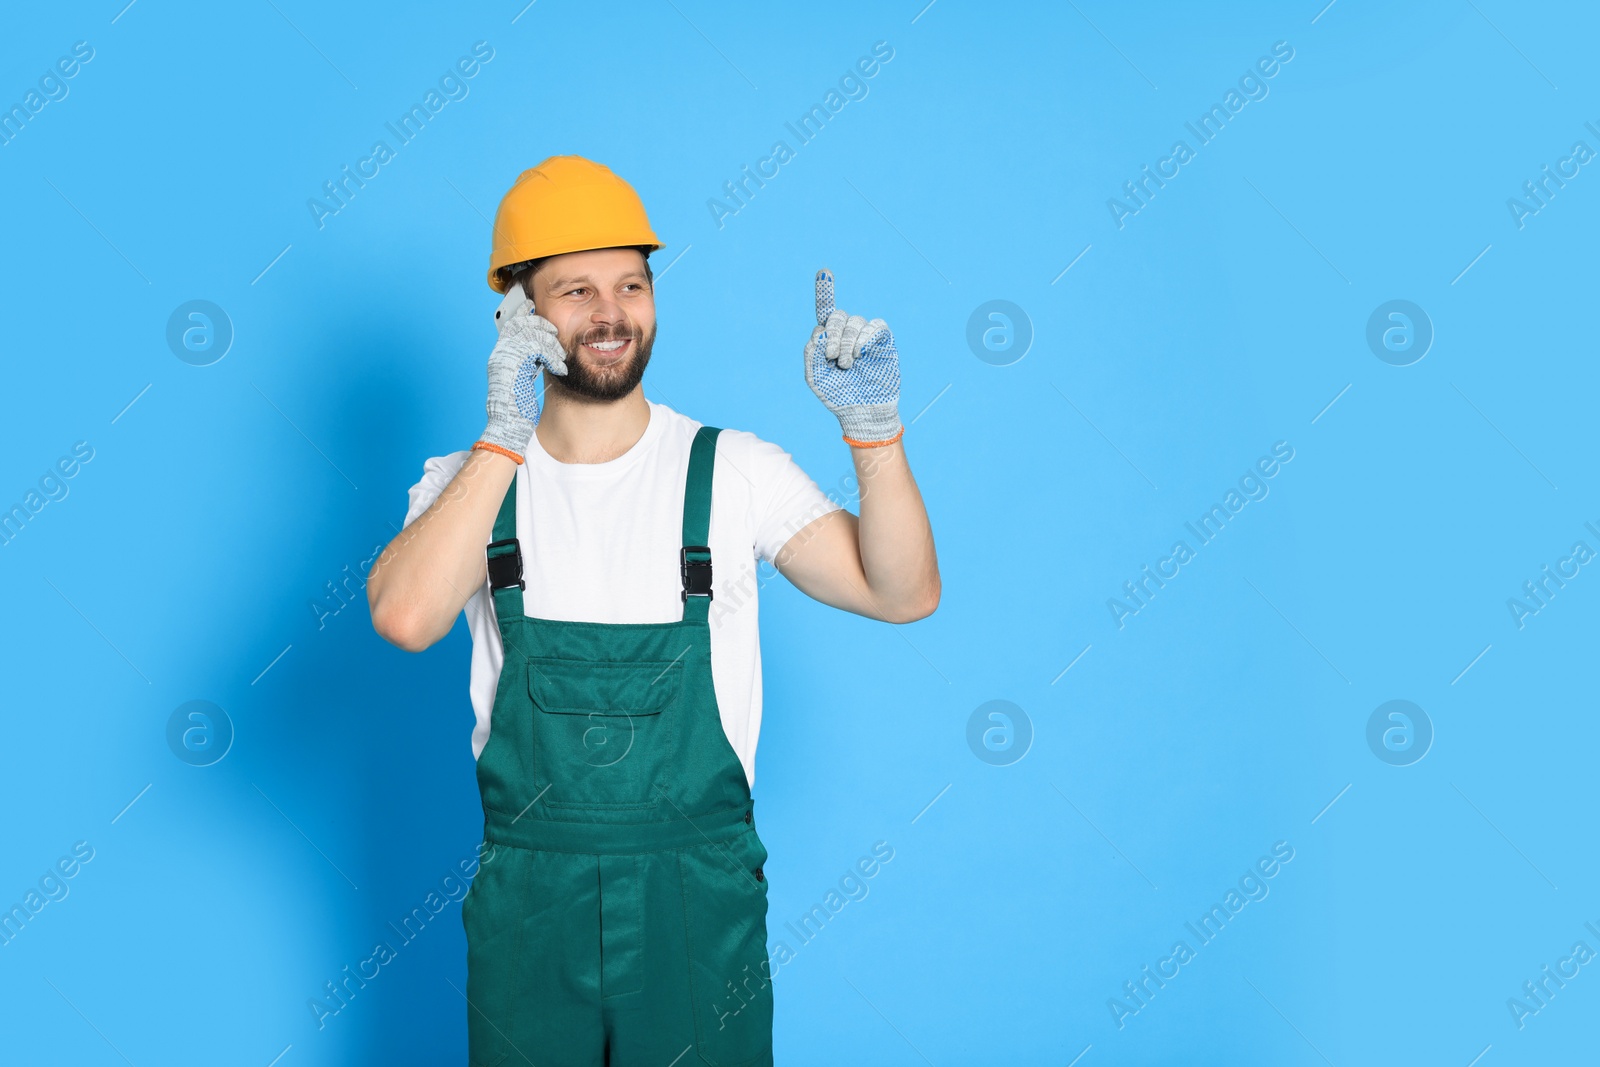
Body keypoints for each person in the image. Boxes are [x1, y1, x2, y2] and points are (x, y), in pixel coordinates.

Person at [366, 154, 939, 1066]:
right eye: (575, 289)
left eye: (631, 284)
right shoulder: (464, 487)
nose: (610, 313)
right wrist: (503, 440)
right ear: (516, 313)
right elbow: (403, 617)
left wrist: (874, 435)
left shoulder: (735, 470)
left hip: (696, 900)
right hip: (530, 902)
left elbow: (901, 592)